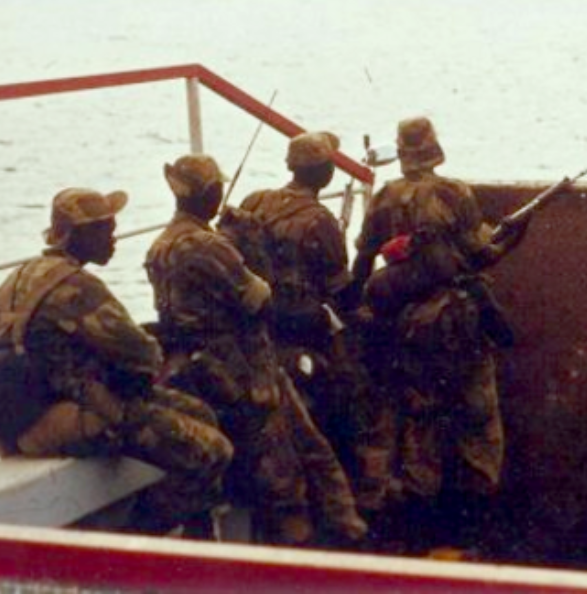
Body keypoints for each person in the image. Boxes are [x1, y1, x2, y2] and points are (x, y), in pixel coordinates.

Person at [145, 153, 366, 548]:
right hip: (246, 373)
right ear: (209, 194)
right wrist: (247, 248)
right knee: (288, 478)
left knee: (312, 447)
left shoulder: (159, 247)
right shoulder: (209, 246)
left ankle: (348, 528)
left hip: (211, 369)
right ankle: (315, 550)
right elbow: (261, 298)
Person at [0, 187, 234, 539]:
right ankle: (137, 539)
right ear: (76, 234)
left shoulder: (19, 277)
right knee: (213, 451)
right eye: (104, 228)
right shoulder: (76, 286)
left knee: (201, 414)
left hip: (38, 404)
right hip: (80, 411)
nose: (114, 236)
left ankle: (196, 531)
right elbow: (143, 356)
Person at [351, 116, 529, 554]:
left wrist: (358, 305)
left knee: (420, 428)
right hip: (457, 327)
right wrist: (514, 239)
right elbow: (480, 255)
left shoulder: (386, 197)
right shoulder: (454, 193)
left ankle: (419, 538)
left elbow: (362, 262)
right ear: (434, 148)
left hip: (407, 331)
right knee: (478, 423)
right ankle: (472, 535)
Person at [238, 132, 392, 509]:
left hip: (260, 324)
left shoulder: (254, 201)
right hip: (301, 326)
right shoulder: (320, 220)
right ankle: (366, 489)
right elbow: (340, 291)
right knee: (361, 389)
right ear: (325, 173)